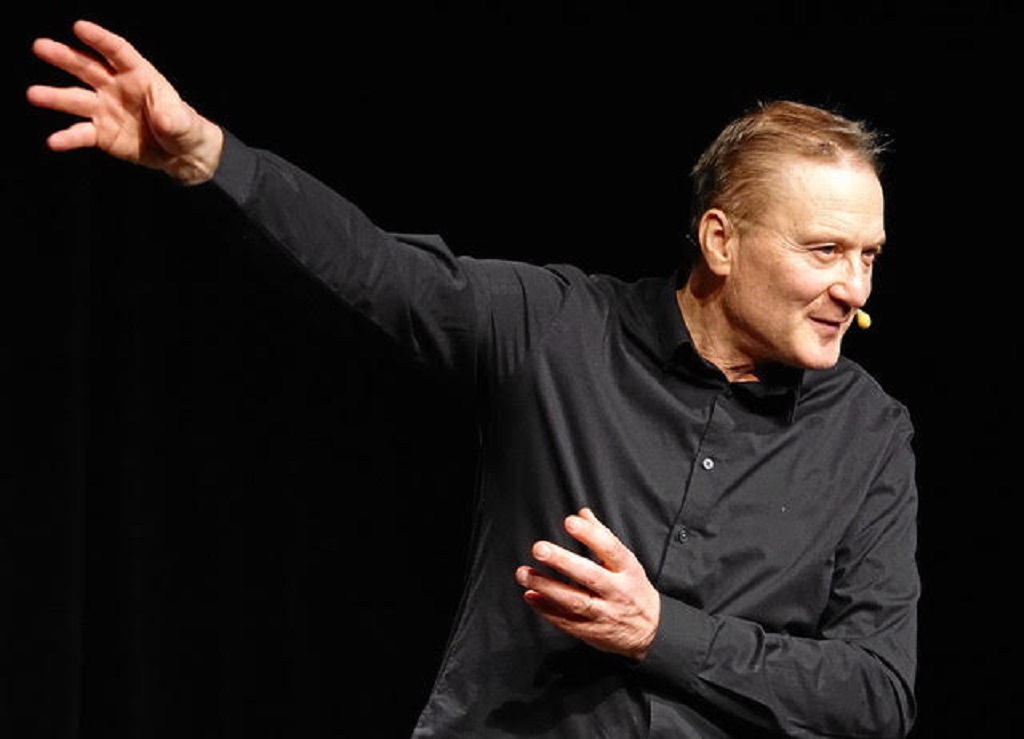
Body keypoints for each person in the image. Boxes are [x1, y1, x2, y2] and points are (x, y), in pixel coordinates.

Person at [27, 20, 919, 738]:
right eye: (826, 250)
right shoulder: (560, 330)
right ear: (721, 241)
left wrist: (661, 632)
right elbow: (377, 273)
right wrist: (209, 158)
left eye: (869, 256)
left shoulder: (869, 432)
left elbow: (878, 691)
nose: (855, 287)